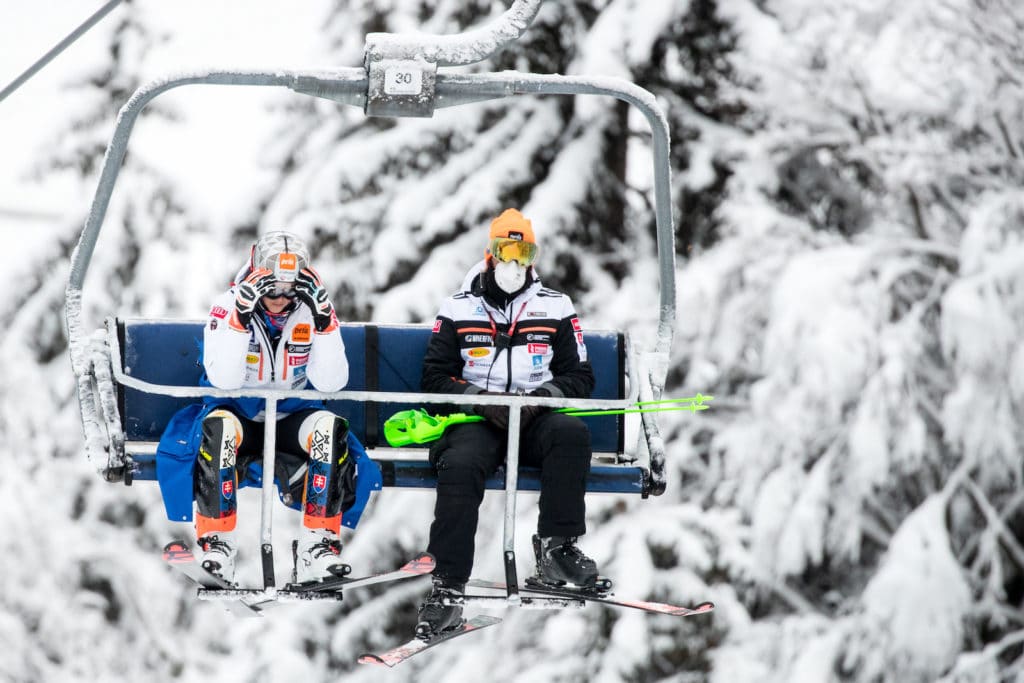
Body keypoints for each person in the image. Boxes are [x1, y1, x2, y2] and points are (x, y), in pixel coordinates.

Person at [156, 231, 380, 584]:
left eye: (289, 290)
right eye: (271, 288)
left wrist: (323, 322)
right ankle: (218, 543)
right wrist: (241, 319)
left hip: (291, 414)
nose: (279, 298)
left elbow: (331, 383)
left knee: (329, 427)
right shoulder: (227, 305)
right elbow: (223, 378)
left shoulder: (313, 310)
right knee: (220, 428)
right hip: (238, 413)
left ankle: (317, 546)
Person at [416, 208, 600, 636]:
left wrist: (541, 399)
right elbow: (434, 378)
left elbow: (580, 375)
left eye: (524, 251)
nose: (514, 262)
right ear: (490, 255)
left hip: (533, 418)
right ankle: (448, 586)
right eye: (506, 250)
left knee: (570, 434)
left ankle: (557, 548)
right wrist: (481, 402)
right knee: (460, 464)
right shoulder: (459, 308)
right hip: (478, 419)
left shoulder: (555, 307)